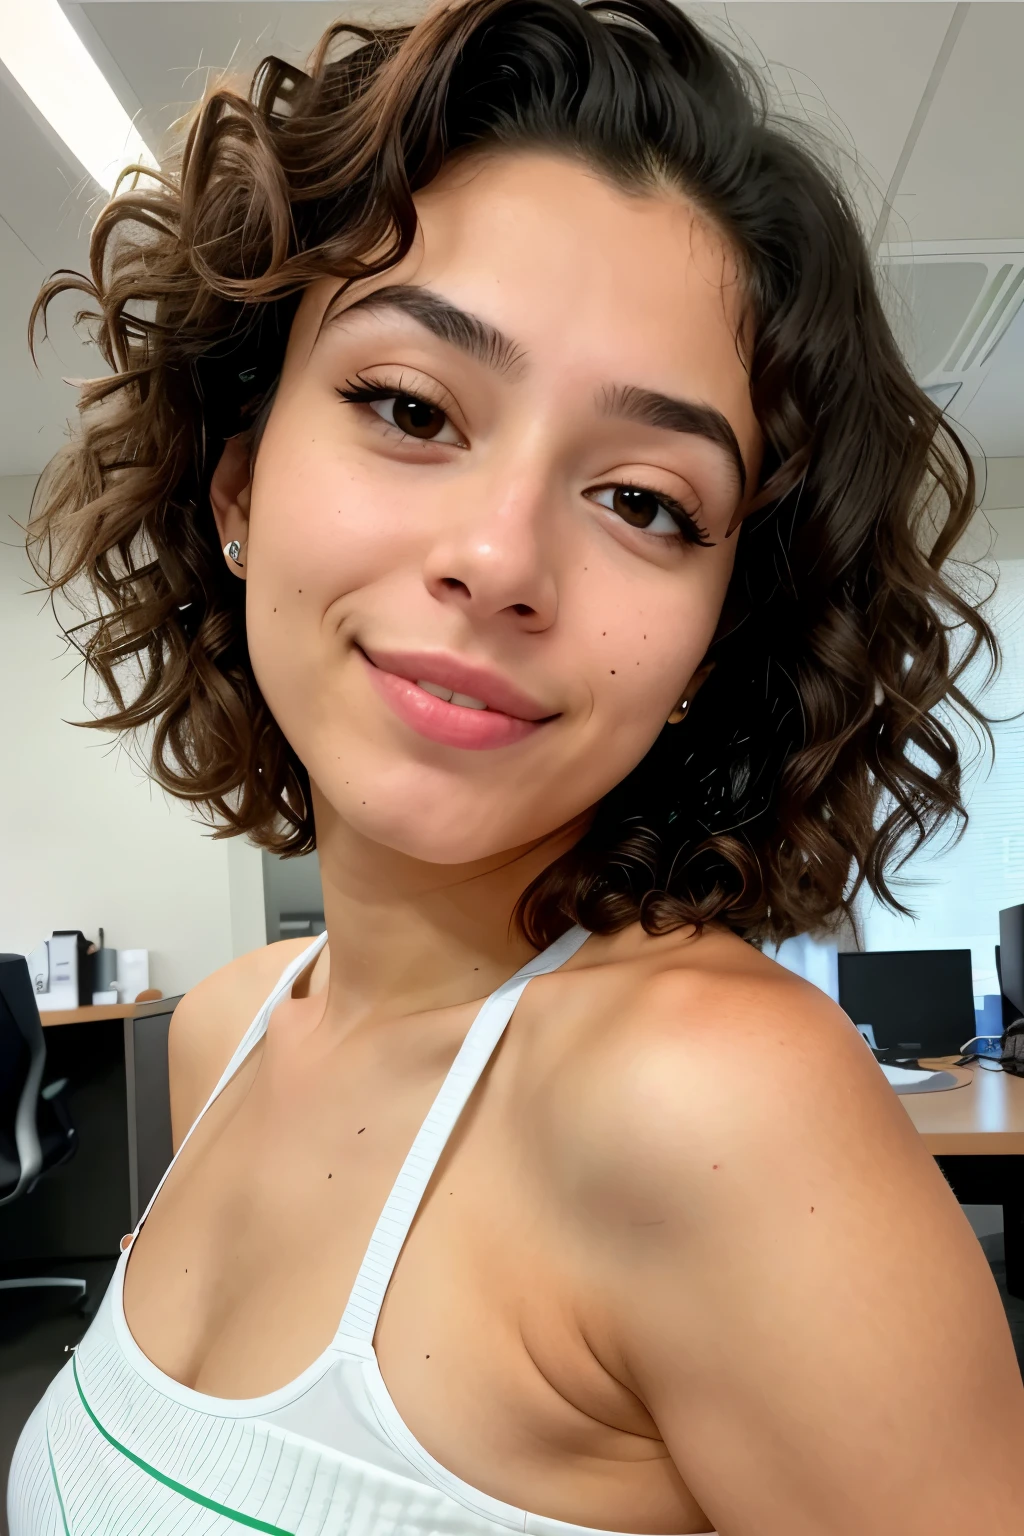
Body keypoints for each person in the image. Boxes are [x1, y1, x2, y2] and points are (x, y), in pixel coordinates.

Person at [9, 1, 1024, 1531]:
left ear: (713, 641)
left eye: (644, 500)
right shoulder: (226, 1033)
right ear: (241, 484)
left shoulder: (716, 1107)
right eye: (409, 408)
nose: (500, 561)